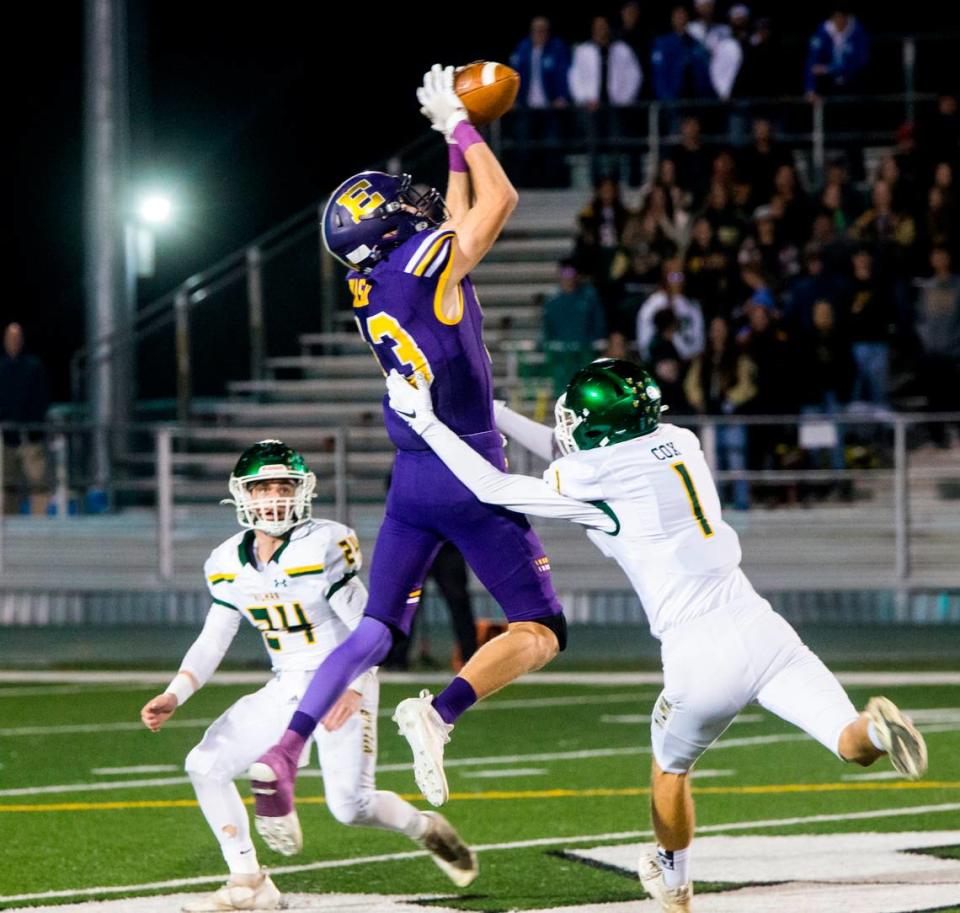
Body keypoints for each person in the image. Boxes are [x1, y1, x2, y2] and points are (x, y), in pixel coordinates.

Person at [385, 358, 927, 913]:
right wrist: (498, 414)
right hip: (763, 628)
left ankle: (675, 882)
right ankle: (878, 733)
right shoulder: (677, 440)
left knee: (670, 771)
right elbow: (571, 448)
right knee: (846, 741)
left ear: (597, 429)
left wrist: (426, 422)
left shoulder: (592, 475)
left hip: (699, 653)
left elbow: (493, 486)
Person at [248, 64, 567, 853]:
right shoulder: (427, 266)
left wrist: (449, 151)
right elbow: (498, 207)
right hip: (470, 469)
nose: (415, 199)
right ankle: (440, 711)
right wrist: (462, 126)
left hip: (412, 475)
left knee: (376, 631)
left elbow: (455, 221)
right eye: (402, 205)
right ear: (392, 232)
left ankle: (285, 749)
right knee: (544, 624)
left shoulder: (373, 282)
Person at [139, 440, 477, 912]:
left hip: (342, 681)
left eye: (283, 485)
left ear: (302, 491)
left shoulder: (324, 544)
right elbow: (214, 638)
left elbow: (371, 629)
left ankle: (425, 828)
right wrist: (176, 693)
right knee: (204, 765)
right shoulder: (226, 563)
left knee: (350, 807)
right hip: (286, 683)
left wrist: (355, 687)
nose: (273, 497)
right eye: (262, 487)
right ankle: (248, 880)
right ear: (243, 495)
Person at [508, 16, 572, 187]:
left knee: (552, 145)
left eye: (543, 30)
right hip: (527, 107)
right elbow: (512, 76)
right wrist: (512, 99)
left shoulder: (556, 48)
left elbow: (564, 74)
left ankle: (553, 183)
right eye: (536, 30)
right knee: (524, 146)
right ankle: (525, 184)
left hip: (550, 108)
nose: (540, 33)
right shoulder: (523, 48)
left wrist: (562, 96)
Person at [0, 322, 50, 515]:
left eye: (17, 338)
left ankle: (40, 523)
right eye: (10, 338)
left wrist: (35, 424)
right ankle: (7, 527)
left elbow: (41, 397)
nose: (13, 342)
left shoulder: (34, 366)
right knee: (6, 484)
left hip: (32, 435)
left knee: (39, 483)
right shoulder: (1, 367)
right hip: (6, 436)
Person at [804, 7, 870, 100]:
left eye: (842, 17)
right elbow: (812, 61)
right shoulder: (823, 32)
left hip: (854, 82)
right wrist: (810, 88)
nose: (840, 21)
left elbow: (861, 61)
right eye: (836, 17)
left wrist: (830, 69)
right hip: (828, 84)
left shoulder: (857, 31)